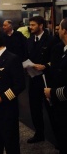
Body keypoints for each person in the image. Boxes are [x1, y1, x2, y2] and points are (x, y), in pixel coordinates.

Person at [26, 16, 55, 144]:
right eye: (30, 25)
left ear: (41, 26)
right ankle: (39, 133)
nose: (30, 27)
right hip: (33, 78)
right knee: (34, 108)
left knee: (51, 108)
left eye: (33, 25)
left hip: (47, 79)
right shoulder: (30, 40)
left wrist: (46, 66)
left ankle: (58, 137)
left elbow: (56, 59)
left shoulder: (51, 40)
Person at [45, 18, 67, 154]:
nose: (58, 30)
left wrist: (52, 93)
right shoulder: (62, 50)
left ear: (64, 31)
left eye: (59, 27)